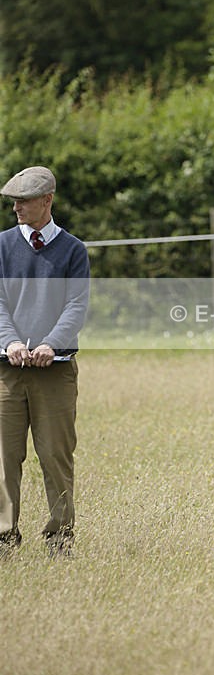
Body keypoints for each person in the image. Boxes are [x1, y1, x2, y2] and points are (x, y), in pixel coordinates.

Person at [0, 166, 90, 558]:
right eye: (14, 201)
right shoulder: (1, 247)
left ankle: (59, 539)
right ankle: (4, 538)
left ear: (47, 201)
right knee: (3, 459)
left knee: (55, 456)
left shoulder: (73, 250)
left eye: (23, 200)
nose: (16, 207)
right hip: (6, 370)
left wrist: (52, 344)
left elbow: (76, 306)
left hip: (55, 372)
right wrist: (11, 342)